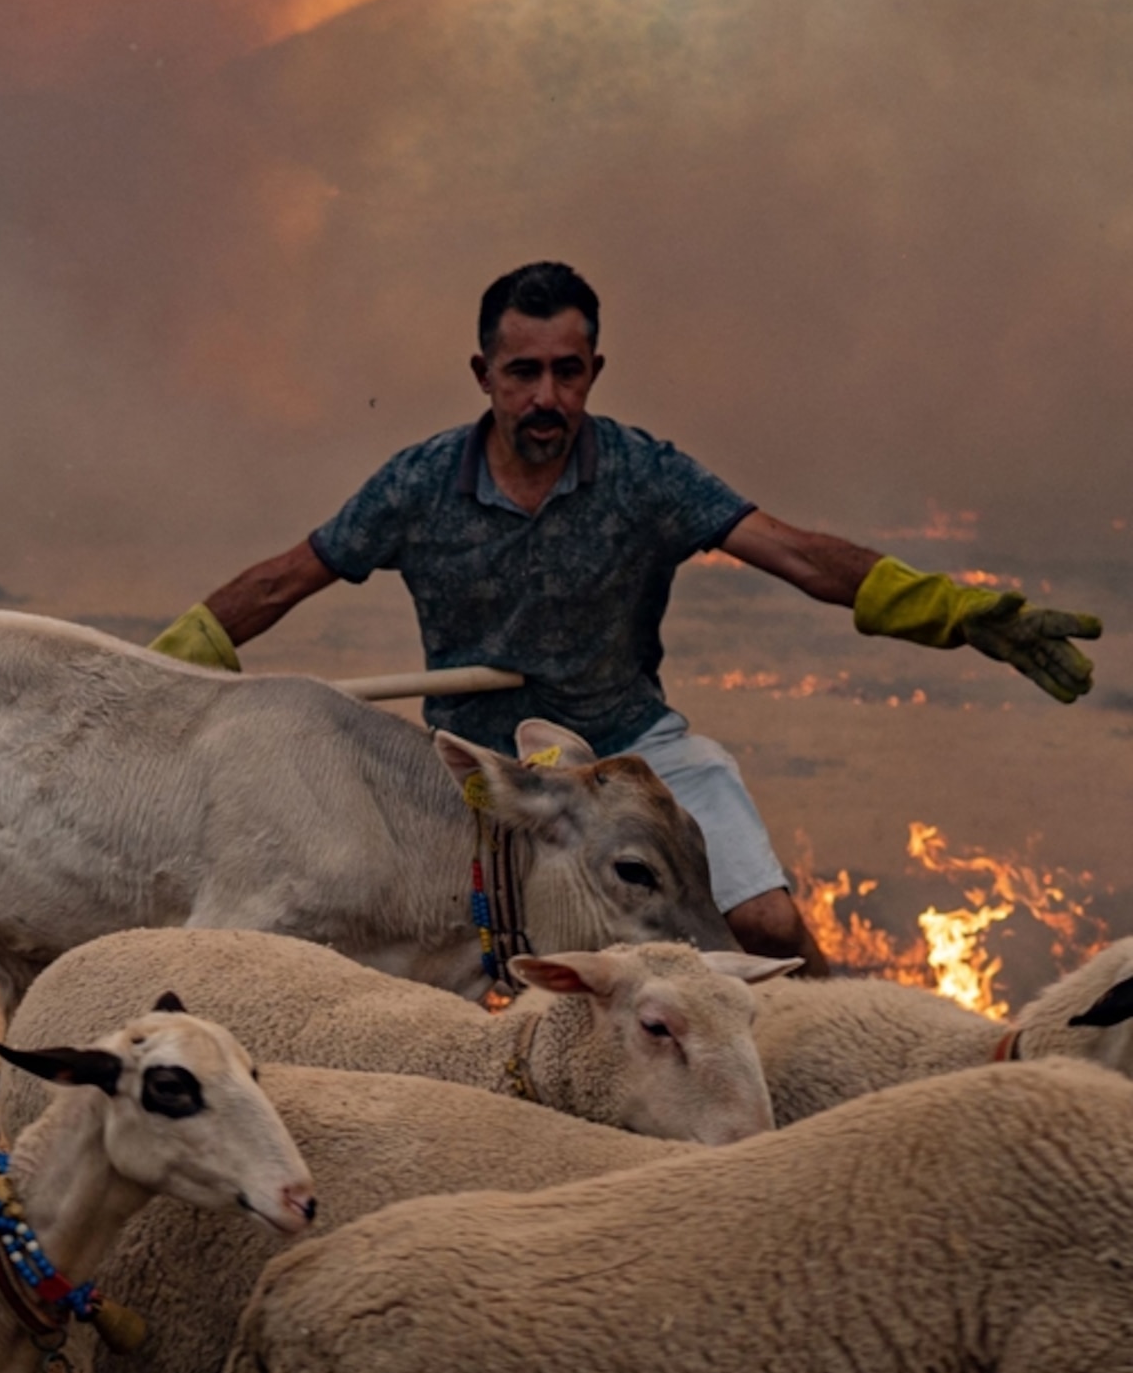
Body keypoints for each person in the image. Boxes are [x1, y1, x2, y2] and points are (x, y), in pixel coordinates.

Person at [146, 260, 1101, 970]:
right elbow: (287, 577)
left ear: (596, 368)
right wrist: (166, 673)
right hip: (482, 785)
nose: (547, 398)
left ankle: (832, 1101)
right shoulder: (419, 484)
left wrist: (954, 612)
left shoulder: (646, 475)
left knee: (765, 933)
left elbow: (796, 554)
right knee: (414, 972)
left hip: (632, 756)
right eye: (524, 373)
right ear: (482, 372)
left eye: (569, 371)